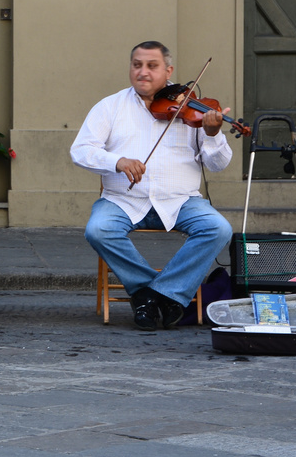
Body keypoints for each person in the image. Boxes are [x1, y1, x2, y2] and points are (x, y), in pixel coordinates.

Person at [71, 42, 235, 331]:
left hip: (181, 201)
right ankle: (155, 292)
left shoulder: (190, 109)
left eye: (152, 66)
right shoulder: (110, 106)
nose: (143, 72)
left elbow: (218, 164)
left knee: (218, 228)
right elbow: (80, 150)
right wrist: (116, 161)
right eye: (137, 65)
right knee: (98, 229)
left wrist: (212, 134)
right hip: (123, 199)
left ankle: (157, 295)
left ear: (168, 70)